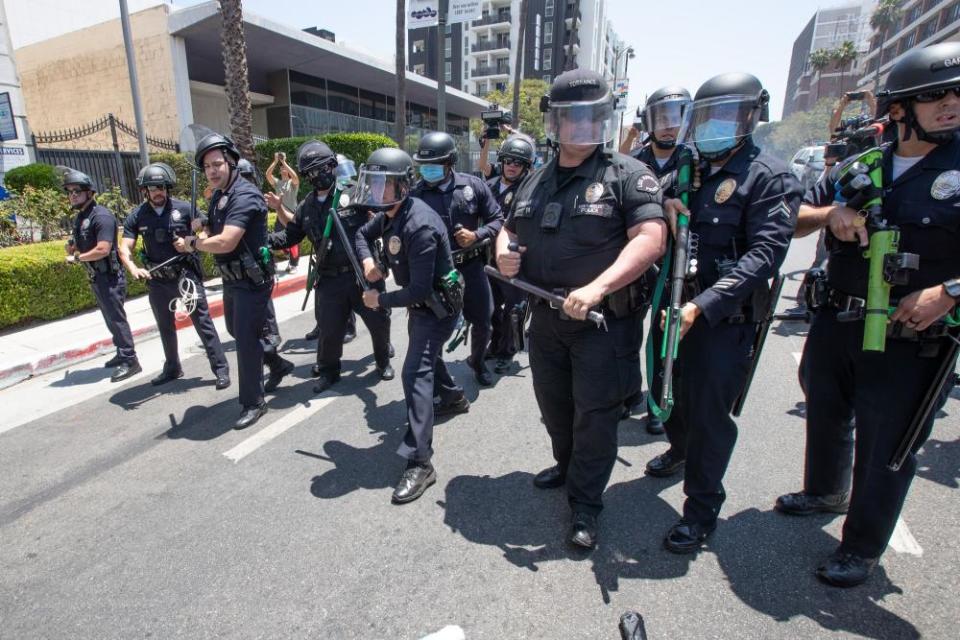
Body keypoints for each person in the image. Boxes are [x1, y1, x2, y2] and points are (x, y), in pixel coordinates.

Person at [775, 42, 960, 587]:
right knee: (823, 401)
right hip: (840, 318)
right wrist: (831, 214)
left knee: (889, 439)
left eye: (958, 94)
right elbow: (791, 218)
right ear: (899, 108)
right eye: (935, 96)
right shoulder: (864, 165)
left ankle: (862, 546)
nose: (951, 104)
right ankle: (825, 490)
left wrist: (950, 291)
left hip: (911, 335)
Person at [495, 68, 667, 548]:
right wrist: (502, 254)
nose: (579, 127)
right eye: (569, 118)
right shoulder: (535, 178)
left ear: (604, 120)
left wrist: (596, 287)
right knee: (555, 407)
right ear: (554, 122)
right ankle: (567, 468)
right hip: (545, 320)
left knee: (594, 415)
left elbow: (651, 240)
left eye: (589, 117)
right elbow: (508, 228)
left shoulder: (628, 174)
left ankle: (586, 505)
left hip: (601, 324)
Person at [643, 73, 799, 554]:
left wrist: (701, 306)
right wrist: (662, 202)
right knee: (666, 387)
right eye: (707, 116)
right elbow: (648, 196)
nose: (715, 126)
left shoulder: (769, 176)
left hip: (721, 319)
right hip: (672, 304)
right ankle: (679, 448)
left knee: (711, 414)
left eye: (729, 115)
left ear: (752, 117)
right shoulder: (689, 167)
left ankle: (701, 509)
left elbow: (764, 257)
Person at [355, 147, 469, 504]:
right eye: (372, 183)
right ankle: (453, 397)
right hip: (420, 306)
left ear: (403, 186)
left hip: (437, 308)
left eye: (382, 185)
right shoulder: (390, 212)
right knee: (426, 358)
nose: (375, 191)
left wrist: (379, 299)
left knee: (414, 373)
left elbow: (418, 290)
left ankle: (421, 462)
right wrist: (370, 262)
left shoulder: (418, 223)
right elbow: (360, 234)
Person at [174, 132, 294, 430]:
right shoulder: (219, 196)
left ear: (230, 162)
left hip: (252, 280)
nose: (212, 171)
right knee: (235, 330)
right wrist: (202, 225)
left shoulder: (245, 195)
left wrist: (193, 244)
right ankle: (278, 364)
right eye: (207, 167)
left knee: (246, 342)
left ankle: (254, 402)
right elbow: (215, 229)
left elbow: (226, 241)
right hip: (232, 280)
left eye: (217, 164)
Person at [268, 140, 393, 393]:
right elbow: (291, 235)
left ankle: (382, 361)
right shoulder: (307, 205)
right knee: (329, 330)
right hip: (329, 280)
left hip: (362, 275)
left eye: (323, 168)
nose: (318, 175)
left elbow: (384, 220)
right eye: (311, 172)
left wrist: (383, 257)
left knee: (379, 321)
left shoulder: (354, 192)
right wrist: (263, 240)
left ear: (333, 166)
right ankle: (328, 372)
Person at [119, 162, 230, 388]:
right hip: (158, 278)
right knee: (165, 325)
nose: (157, 192)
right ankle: (172, 367)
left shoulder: (184, 208)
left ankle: (220, 368)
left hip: (184, 275)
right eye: (152, 188)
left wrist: (191, 242)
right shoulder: (137, 216)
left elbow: (207, 229)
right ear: (145, 191)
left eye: (161, 187)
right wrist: (133, 268)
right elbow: (124, 247)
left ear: (167, 187)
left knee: (202, 322)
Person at [625, 86, 692, 435]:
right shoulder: (636, 159)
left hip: (676, 262)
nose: (670, 127)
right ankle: (628, 393)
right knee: (625, 328)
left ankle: (658, 400)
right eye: (663, 119)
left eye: (677, 118)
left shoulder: (695, 159)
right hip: (638, 259)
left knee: (664, 334)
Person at [412, 131, 503, 386]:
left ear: (450, 162)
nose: (428, 170)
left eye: (434, 165)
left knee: (484, 320)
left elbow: (497, 219)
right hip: (436, 273)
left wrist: (476, 234)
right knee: (434, 328)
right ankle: (437, 377)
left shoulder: (472, 186)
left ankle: (477, 361)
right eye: (424, 165)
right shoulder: (415, 194)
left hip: (471, 266)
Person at [63, 168, 141, 382]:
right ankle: (121, 352)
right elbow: (82, 243)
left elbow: (103, 249)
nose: (73, 195)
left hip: (110, 277)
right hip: (96, 276)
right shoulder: (82, 217)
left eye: (77, 191)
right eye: (69, 192)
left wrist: (78, 258)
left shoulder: (101, 216)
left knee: (116, 318)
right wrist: (73, 247)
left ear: (89, 192)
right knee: (109, 318)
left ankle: (130, 360)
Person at [485, 134, 535, 374]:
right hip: (489, 259)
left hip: (517, 260)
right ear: (502, 161)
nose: (512, 165)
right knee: (490, 308)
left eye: (519, 162)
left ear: (526, 166)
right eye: (509, 160)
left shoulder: (531, 189)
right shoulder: (489, 185)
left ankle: (508, 351)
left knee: (514, 311)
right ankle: (495, 345)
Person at [266, 152, 301, 273]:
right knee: (280, 240)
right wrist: (276, 161)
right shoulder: (277, 183)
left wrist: (284, 162)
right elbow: (268, 174)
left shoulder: (292, 183)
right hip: (280, 215)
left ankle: (293, 265)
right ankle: (288, 256)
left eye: (285, 168)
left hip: (292, 214)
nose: (283, 169)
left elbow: (295, 177)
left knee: (294, 240)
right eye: (282, 168)